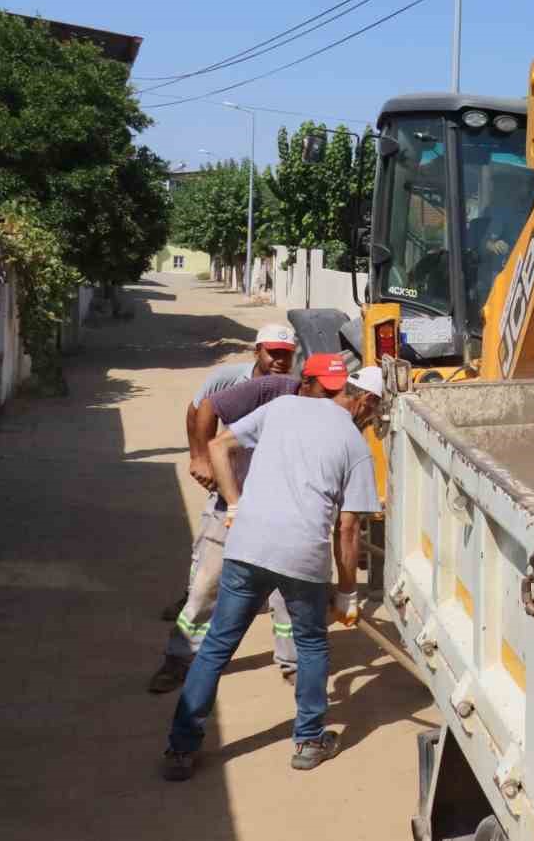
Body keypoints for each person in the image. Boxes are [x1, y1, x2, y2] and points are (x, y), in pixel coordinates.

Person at [161, 366, 385, 781]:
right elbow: (348, 528)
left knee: (215, 647)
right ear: (365, 402)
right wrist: (348, 592)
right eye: (373, 413)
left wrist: (234, 503)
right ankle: (308, 741)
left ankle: (180, 749)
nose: (371, 421)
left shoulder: (281, 408)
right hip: (302, 555)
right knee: (313, 646)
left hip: (247, 544)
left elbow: (220, 443)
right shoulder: (355, 445)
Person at [147, 354, 346, 693]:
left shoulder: (331, 416)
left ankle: (293, 664)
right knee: (207, 587)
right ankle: (179, 658)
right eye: (325, 392)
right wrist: (205, 463)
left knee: (287, 598)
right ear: (306, 383)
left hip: (288, 518)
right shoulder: (273, 392)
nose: (331, 400)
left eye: (336, 393)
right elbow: (208, 411)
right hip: (235, 508)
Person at [162, 323, 297, 622]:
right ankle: (191, 599)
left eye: (286, 355)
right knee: (208, 548)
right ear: (257, 351)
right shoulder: (229, 378)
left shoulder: (292, 388)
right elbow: (197, 409)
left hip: (268, 483)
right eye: (273, 353)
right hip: (230, 477)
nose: (279, 361)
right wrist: (200, 457)